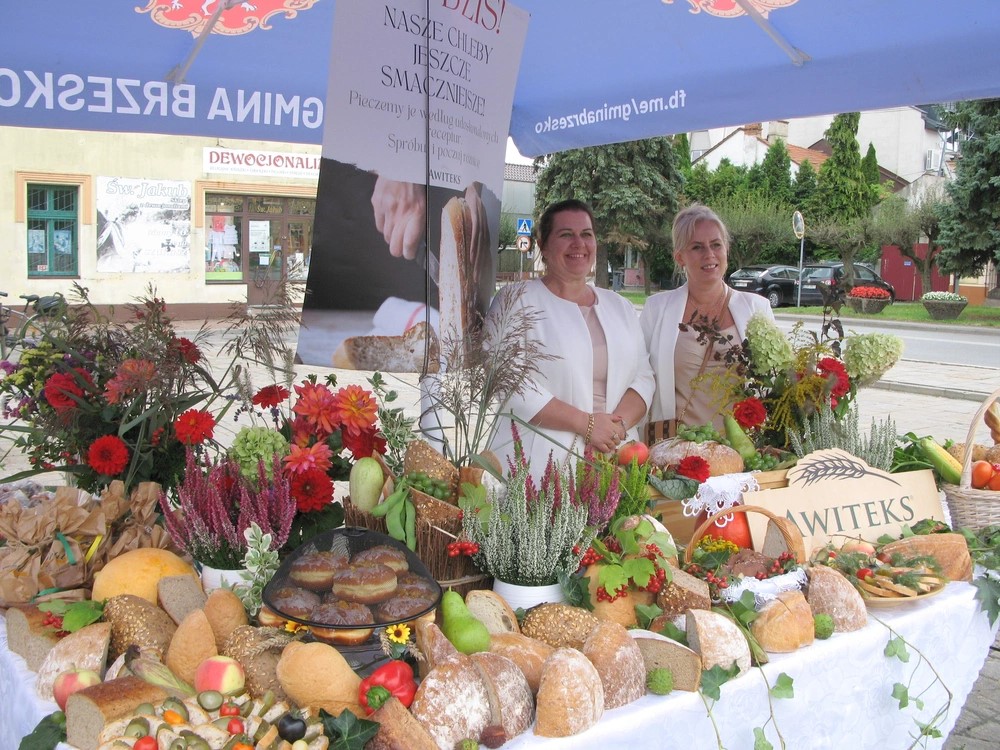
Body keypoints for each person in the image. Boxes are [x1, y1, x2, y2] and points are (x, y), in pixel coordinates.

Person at [487, 198, 655, 477]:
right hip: (538, 463)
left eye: (586, 235)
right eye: (566, 235)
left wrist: (615, 428)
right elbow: (509, 383)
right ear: (543, 245)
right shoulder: (514, 300)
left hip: (616, 458)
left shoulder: (620, 306)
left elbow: (644, 377)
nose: (579, 244)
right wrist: (587, 425)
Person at [640, 202, 774, 440]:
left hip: (743, 450)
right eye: (697, 247)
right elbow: (640, 379)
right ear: (680, 256)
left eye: (716, 245)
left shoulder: (757, 308)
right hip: (678, 449)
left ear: (726, 250)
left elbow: (774, 381)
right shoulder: (657, 309)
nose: (709, 255)